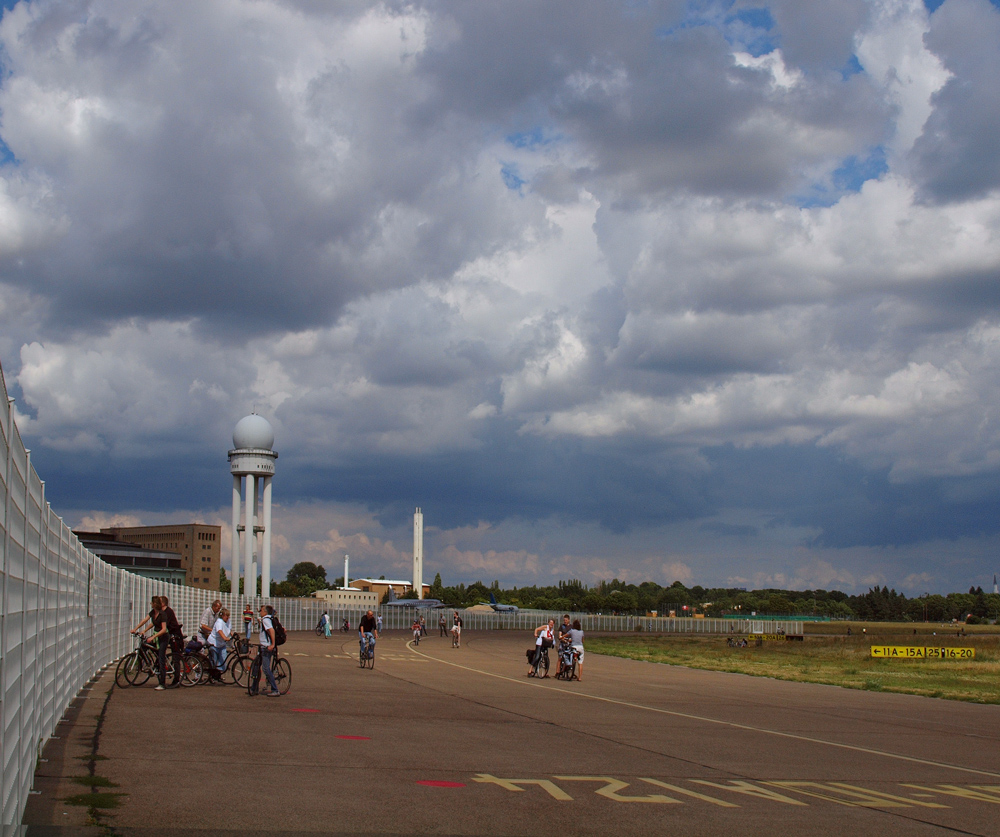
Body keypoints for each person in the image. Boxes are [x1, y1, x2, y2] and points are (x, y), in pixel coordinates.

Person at [149, 596, 182, 690]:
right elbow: (154, 622)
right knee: (162, 655)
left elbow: (163, 626)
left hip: (175, 636)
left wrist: (154, 636)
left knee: (176, 658)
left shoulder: (167, 612)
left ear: (162, 603)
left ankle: (176, 680)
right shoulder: (159, 613)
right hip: (169, 636)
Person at [251, 604, 280, 696]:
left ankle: (275, 690)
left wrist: (272, 644)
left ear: (266, 612)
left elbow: (271, 631)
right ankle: (254, 688)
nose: (260, 611)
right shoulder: (268, 618)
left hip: (266, 647)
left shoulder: (266, 620)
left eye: (262, 610)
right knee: (256, 666)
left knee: (265, 668)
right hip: (263, 646)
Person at [208, 608, 232, 683]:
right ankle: (212, 676)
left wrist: (234, 635)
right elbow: (220, 631)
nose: (227, 617)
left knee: (223, 661)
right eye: (226, 616)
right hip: (214, 643)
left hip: (221, 644)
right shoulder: (219, 622)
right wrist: (225, 638)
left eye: (228, 616)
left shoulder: (228, 622)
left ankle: (218, 675)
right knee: (214, 661)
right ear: (222, 616)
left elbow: (229, 630)